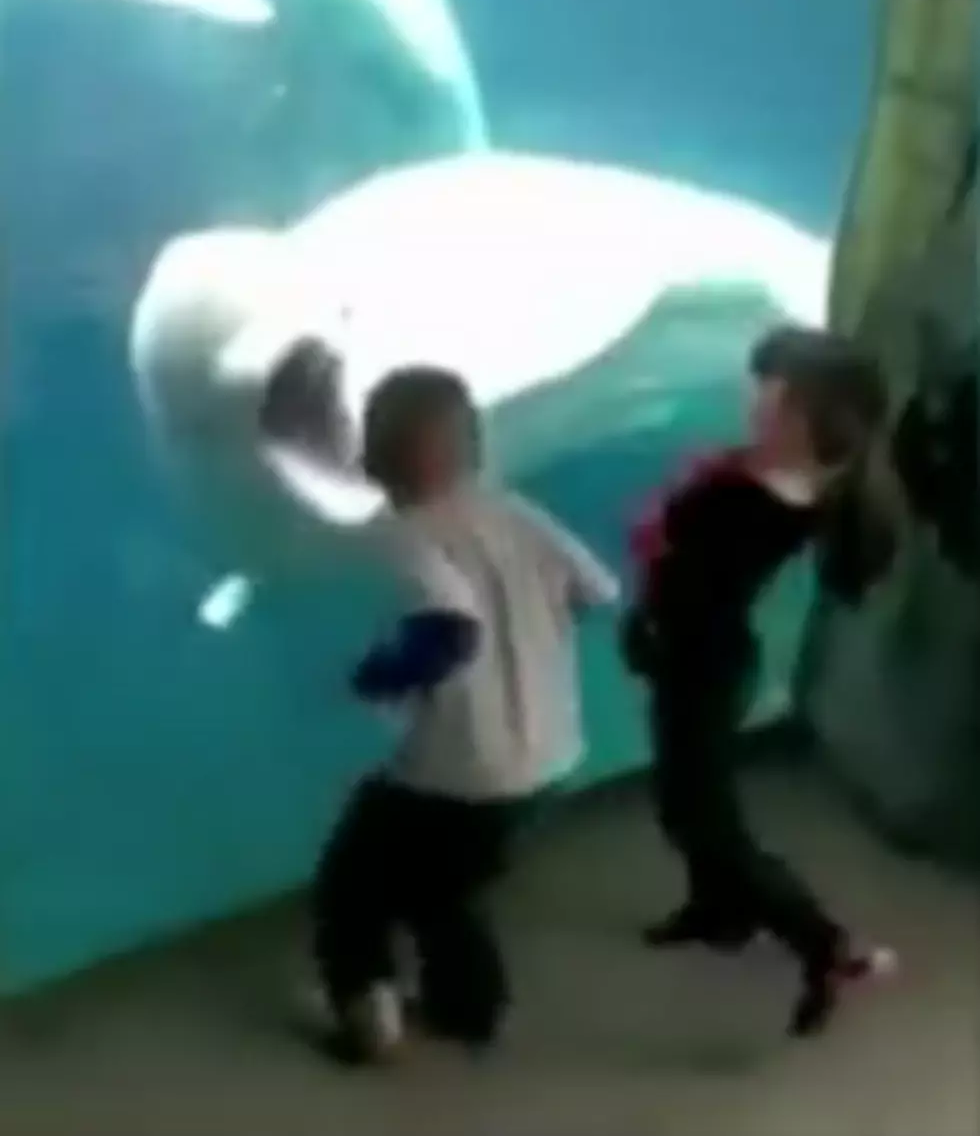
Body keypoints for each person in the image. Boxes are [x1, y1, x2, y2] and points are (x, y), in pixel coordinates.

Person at [312, 364, 621, 1064]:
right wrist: (531, 633)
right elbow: (598, 591)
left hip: (457, 769)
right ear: (474, 444)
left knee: (351, 884)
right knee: (443, 890)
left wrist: (378, 677)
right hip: (548, 758)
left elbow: (452, 627)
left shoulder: (402, 534)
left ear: (370, 456)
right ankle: (470, 1011)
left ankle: (371, 1020)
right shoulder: (517, 512)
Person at [621, 324, 900, 1038]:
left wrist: (665, 553)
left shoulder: (749, 497)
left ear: (811, 424)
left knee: (703, 818)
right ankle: (717, 912)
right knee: (688, 796)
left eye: (772, 404)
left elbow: (674, 545)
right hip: (700, 653)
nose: (755, 410)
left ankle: (831, 947)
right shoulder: (782, 485)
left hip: (702, 663)